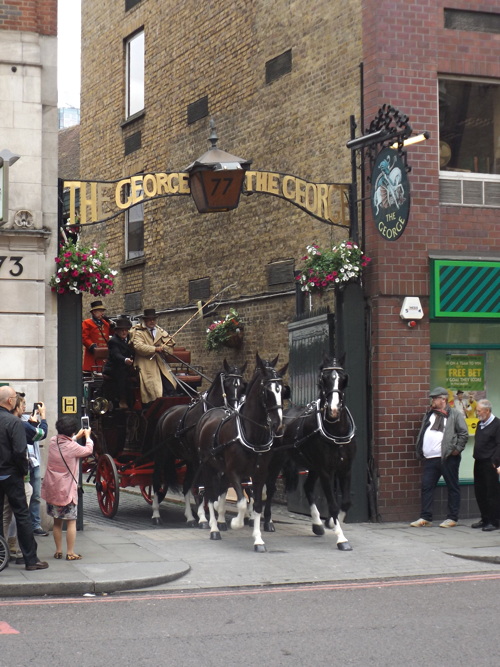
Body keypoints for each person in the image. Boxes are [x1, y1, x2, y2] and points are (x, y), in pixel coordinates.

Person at [0, 386, 48, 570]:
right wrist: (22, 471)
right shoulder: (14, 422)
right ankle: (31, 560)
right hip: (12, 475)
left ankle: (2, 554)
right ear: (10, 401)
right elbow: (20, 451)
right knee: (22, 515)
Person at [410, 386, 468, 528]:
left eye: (434, 398)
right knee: (427, 486)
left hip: (448, 457)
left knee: (452, 486)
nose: (432, 401)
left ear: (443, 399)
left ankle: (452, 517)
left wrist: (457, 449)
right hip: (431, 458)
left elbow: (463, 433)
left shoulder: (454, 414)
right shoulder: (430, 414)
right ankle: (425, 517)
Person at [41, 416, 93, 560]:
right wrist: (87, 436)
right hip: (67, 490)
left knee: (57, 521)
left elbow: (66, 443)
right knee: (71, 521)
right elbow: (88, 450)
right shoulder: (73, 447)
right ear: (72, 431)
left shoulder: (53, 441)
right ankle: (70, 552)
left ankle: (58, 551)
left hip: (53, 488)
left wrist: (76, 436)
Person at [129, 308, 177, 404]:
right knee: (153, 386)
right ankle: (153, 404)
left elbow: (170, 346)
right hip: (145, 364)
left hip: (159, 362)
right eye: (149, 319)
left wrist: (164, 348)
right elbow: (138, 347)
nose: (152, 321)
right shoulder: (138, 331)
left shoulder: (160, 331)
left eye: (153, 319)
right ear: (145, 320)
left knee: (169, 383)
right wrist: (154, 349)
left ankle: (170, 400)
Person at [471, 399, 500, 531]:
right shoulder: (480, 424)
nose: (477, 413)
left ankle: (494, 521)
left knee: (491, 493)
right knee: (480, 492)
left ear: (487, 411)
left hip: (490, 463)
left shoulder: (497, 424)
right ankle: (485, 518)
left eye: (479, 411)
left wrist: (495, 461)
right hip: (479, 461)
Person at [102, 316, 136, 409]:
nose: (124, 332)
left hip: (128, 366)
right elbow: (116, 355)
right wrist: (125, 360)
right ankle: (122, 399)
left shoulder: (130, 339)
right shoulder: (113, 341)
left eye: (126, 330)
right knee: (122, 373)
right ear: (116, 331)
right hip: (114, 367)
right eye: (121, 330)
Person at [82, 300, 113, 373]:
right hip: (92, 354)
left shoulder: (105, 323)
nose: (102, 313)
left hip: (104, 354)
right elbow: (84, 337)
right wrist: (91, 345)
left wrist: (112, 326)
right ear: (94, 312)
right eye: (100, 311)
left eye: (102, 311)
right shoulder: (87, 323)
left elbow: (111, 333)